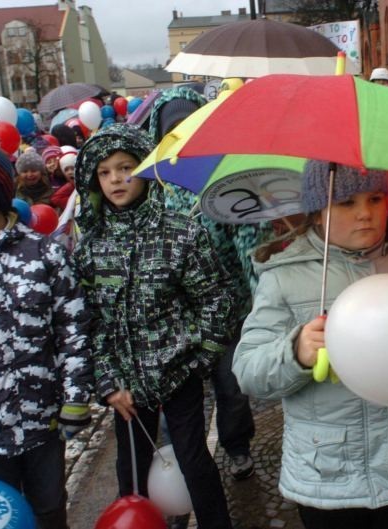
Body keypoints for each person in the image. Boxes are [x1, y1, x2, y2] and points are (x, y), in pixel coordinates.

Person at [233, 160, 388, 529]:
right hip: (326, 476)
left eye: (375, 199)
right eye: (346, 203)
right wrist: (295, 352)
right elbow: (248, 370)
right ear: (317, 213)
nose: (365, 214)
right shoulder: (283, 277)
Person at [72, 124, 233, 529]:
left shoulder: (180, 231)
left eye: (125, 168)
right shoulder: (92, 244)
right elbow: (90, 320)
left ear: (143, 171)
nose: (115, 180)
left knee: (195, 462)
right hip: (126, 386)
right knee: (131, 473)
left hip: (178, 373)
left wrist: (198, 357)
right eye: (105, 172)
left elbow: (215, 298)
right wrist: (108, 381)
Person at [0, 138, 94, 529]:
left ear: (0, 188)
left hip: (40, 423)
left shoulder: (44, 254)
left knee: (50, 512)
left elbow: (73, 330)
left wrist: (75, 399)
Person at [148, 85, 259, 481]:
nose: (182, 135)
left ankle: (237, 444)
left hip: (227, 309)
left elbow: (246, 242)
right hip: (176, 317)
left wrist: (256, 298)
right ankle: (178, 460)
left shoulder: (223, 176)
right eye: (172, 129)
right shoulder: (153, 187)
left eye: (189, 126)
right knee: (178, 397)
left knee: (231, 386)